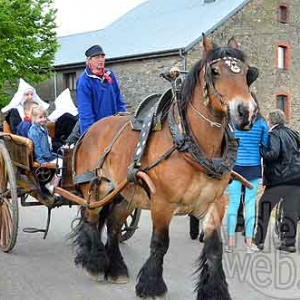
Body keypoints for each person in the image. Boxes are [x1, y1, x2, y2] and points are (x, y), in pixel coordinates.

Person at [252, 109, 300, 253]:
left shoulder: (273, 134)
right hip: (297, 177)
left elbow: (273, 154)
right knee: (291, 211)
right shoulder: (293, 132)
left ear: (270, 121)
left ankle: (259, 241)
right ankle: (289, 243)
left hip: (280, 179)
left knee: (264, 207)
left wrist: (260, 149)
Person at [225, 96, 269, 253]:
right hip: (253, 168)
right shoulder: (261, 123)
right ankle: (249, 244)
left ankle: (230, 244)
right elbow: (265, 145)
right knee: (250, 204)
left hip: (235, 167)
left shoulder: (232, 122)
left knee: (233, 203)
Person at [76, 44, 126, 134]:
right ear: (88, 60)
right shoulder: (84, 81)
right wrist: (90, 135)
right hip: (98, 130)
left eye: (102, 56)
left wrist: (122, 118)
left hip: (115, 126)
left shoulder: (109, 75)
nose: (101, 60)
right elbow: (85, 112)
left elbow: (119, 99)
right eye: (97, 57)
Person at [28, 106, 62, 200]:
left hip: (48, 154)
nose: (43, 119)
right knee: (61, 164)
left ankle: (55, 184)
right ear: (33, 118)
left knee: (64, 159)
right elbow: (37, 147)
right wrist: (41, 160)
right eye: (40, 117)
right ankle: (52, 185)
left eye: (44, 117)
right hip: (42, 157)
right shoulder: (34, 131)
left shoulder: (43, 128)